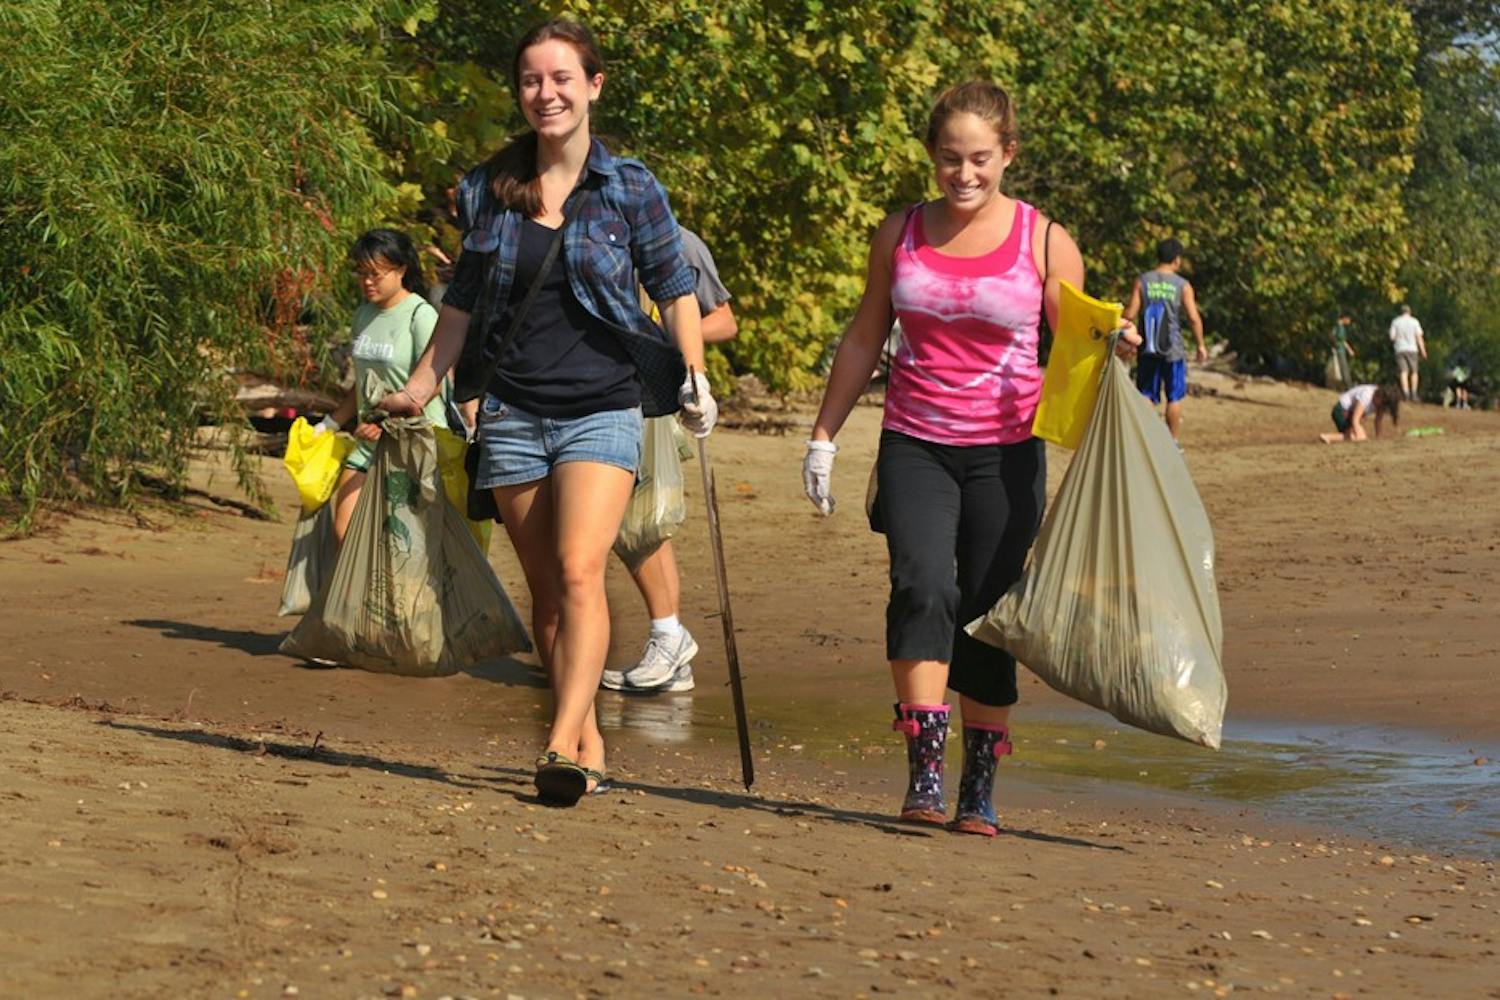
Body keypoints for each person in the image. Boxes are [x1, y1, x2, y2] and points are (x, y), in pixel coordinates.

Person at [376, 18, 714, 806]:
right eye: (532, 80)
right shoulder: (486, 189)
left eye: (562, 78)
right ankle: (587, 743)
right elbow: (461, 304)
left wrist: (694, 376)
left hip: (603, 405)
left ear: (593, 85)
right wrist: (422, 387)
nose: (546, 93)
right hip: (512, 409)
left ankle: (559, 739)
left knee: (578, 569)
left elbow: (674, 289)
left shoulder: (629, 186)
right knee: (547, 593)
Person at [802, 81, 1138, 838]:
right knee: (922, 586)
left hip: (1006, 454)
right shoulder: (899, 234)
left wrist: (1115, 343)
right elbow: (865, 335)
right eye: (950, 158)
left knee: (987, 611)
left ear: (1008, 154)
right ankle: (925, 770)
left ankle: (978, 784)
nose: (964, 174)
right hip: (915, 442)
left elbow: (1076, 341)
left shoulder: (1045, 241)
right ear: (931, 154)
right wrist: (824, 436)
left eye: (980, 158)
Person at [601, 228, 737, 693]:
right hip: (597, 391)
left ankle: (669, 638)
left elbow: (723, 321)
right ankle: (670, 647)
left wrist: (658, 337)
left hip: (650, 397)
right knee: (617, 524)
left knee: (640, 522)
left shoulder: (677, 241)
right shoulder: (588, 229)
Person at [314, 229, 446, 545]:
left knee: (404, 545)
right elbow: (362, 382)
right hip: (369, 440)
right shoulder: (363, 315)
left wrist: (388, 422)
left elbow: (435, 384)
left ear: (401, 270)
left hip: (414, 443)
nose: (367, 281)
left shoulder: (420, 315)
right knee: (345, 532)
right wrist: (328, 424)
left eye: (376, 274)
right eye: (362, 273)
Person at [1122, 238, 1206, 441]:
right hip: (1173, 350)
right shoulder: (1182, 285)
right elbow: (1193, 318)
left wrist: (1124, 337)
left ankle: (1145, 441)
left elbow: (1130, 313)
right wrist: (1200, 345)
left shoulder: (1142, 281)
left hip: (1148, 347)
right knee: (1174, 396)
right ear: (1176, 259)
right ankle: (1172, 442)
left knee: (1146, 395)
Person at [1318, 383, 1400, 444]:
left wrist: (1379, 438)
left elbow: (1377, 421)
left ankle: (1328, 437)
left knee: (1358, 437)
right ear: (1380, 396)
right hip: (1341, 411)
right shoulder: (1366, 395)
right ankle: (1328, 437)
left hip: (1351, 415)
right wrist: (1359, 434)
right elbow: (1355, 420)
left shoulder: (1381, 402)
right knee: (1359, 438)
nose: (1381, 408)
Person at [1389, 305, 1426, 401]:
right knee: (1414, 372)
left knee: (1403, 372)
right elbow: (1419, 337)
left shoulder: (1395, 321)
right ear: (1410, 312)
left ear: (1401, 312)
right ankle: (1414, 393)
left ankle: (1406, 393)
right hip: (1412, 349)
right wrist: (1423, 351)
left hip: (1400, 349)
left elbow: (1392, 337)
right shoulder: (1414, 321)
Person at [1330, 313, 1356, 389]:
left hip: (1341, 350)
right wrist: (1335, 346)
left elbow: (1342, 340)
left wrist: (1349, 350)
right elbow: (1333, 337)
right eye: (1349, 319)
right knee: (1343, 368)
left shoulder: (1341, 328)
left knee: (1343, 368)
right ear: (1344, 318)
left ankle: (1345, 385)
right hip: (1339, 350)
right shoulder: (1338, 327)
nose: (1349, 322)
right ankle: (1349, 386)